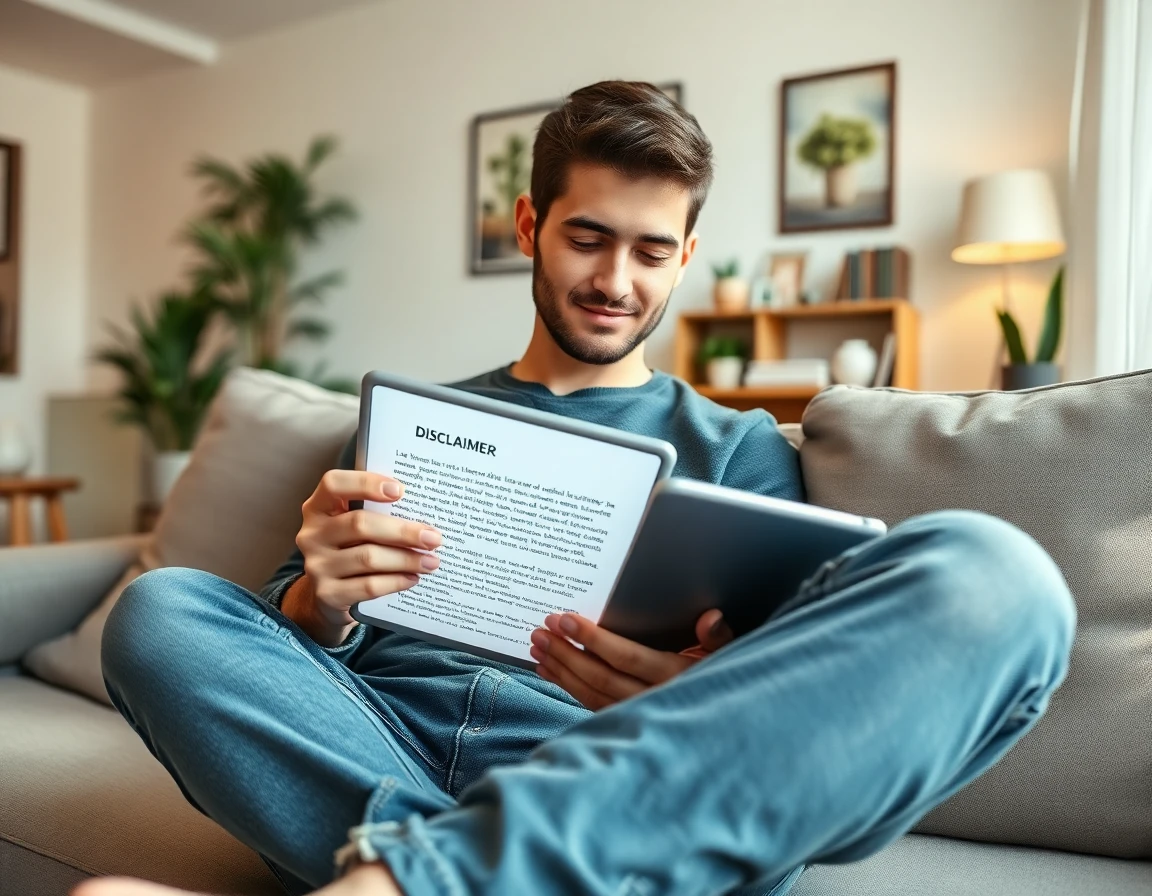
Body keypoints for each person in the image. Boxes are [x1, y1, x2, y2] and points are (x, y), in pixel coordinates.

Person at [88, 81, 1075, 896]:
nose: (616, 280)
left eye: (652, 251)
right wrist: (320, 600)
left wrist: (696, 690)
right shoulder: (410, 417)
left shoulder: (735, 446)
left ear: (686, 259)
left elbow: (786, 697)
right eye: (589, 238)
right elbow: (284, 640)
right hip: (380, 735)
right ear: (531, 225)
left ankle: (418, 875)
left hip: (615, 771)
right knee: (164, 610)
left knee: (996, 574)